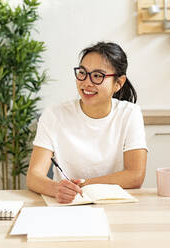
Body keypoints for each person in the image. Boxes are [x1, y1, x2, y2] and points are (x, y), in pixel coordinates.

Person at [26, 41, 147, 203]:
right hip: (68, 205)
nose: (87, 83)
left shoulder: (130, 114)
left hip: (115, 204)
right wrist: (57, 189)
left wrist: (81, 186)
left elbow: (135, 175)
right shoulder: (54, 115)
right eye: (82, 73)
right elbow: (34, 176)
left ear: (118, 83)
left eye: (97, 76)